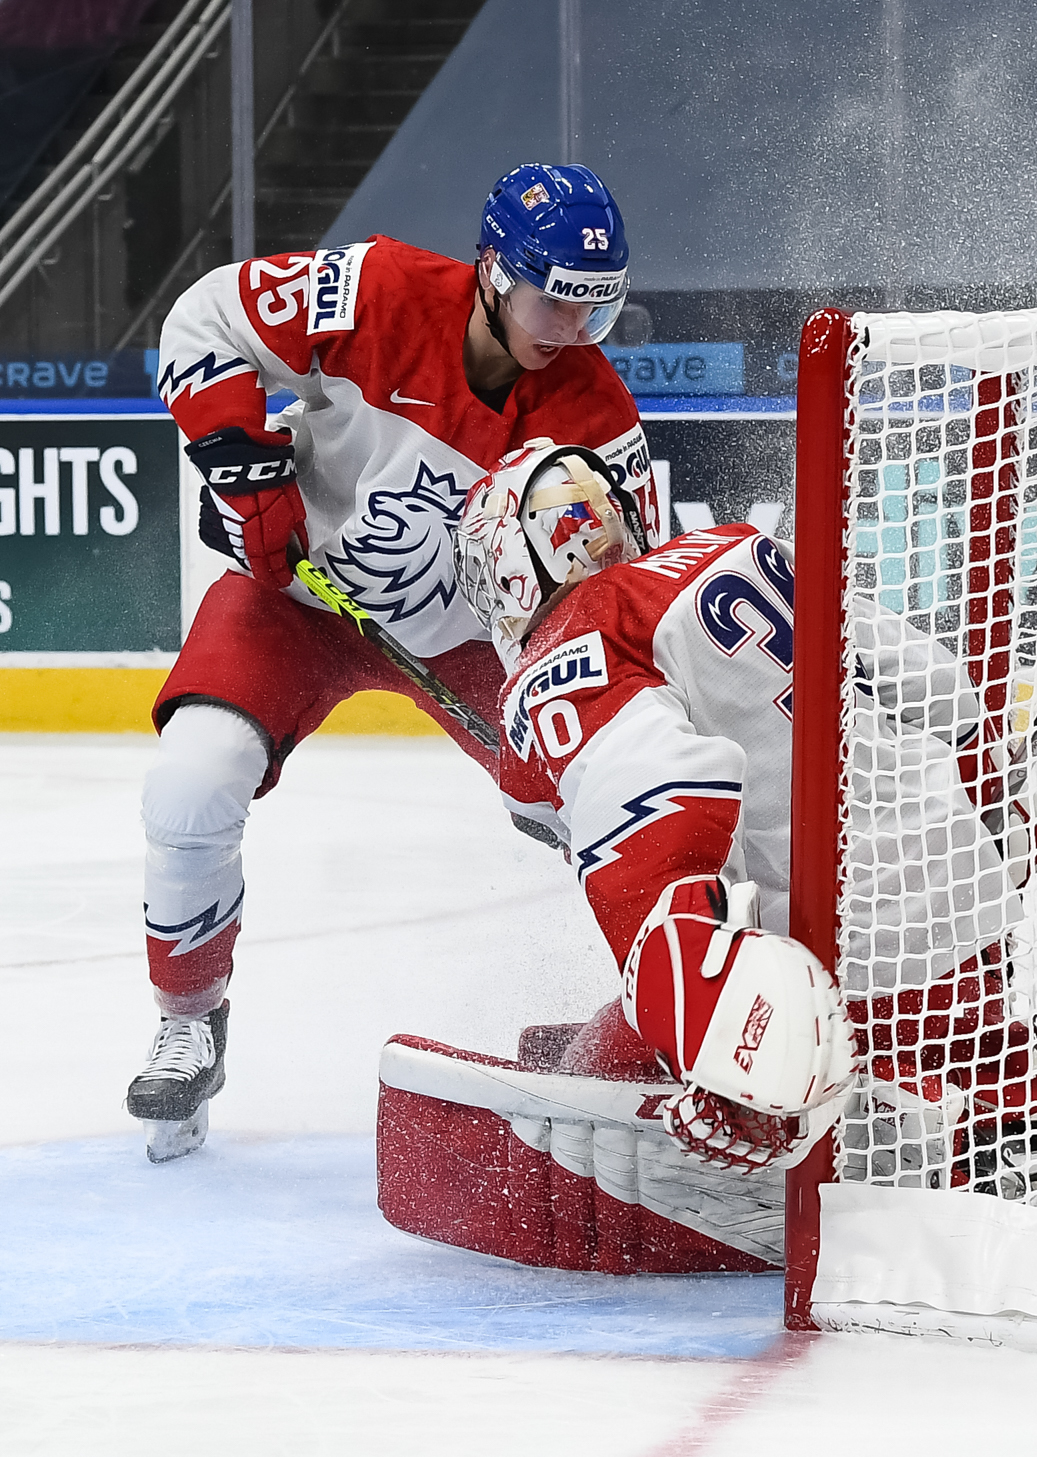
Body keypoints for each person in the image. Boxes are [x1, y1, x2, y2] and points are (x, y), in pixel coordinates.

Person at [370, 441, 1037, 1268]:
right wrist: (995, 803)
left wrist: (700, 1010)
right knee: (959, 1038)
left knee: (622, 1044)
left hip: (841, 946)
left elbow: (661, 805)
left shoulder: (576, 637)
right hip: (967, 899)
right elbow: (937, 685)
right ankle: (1013, 1112)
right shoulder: (736, 546)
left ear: (517, 564)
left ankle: (837, 1103)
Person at [127, 164, 658, 1162]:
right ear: (493, 272)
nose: (571, 332)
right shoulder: (374, 290)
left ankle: (673, 1022)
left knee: (612, 805)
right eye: (552, 302)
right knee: (192, 779)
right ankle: (189, 1017)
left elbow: (614, 603)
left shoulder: (599, 422)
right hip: (298, 596)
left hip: (468, 644)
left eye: (596, 309)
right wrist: (238, 460)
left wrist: (565, 726)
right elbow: (204, 318)